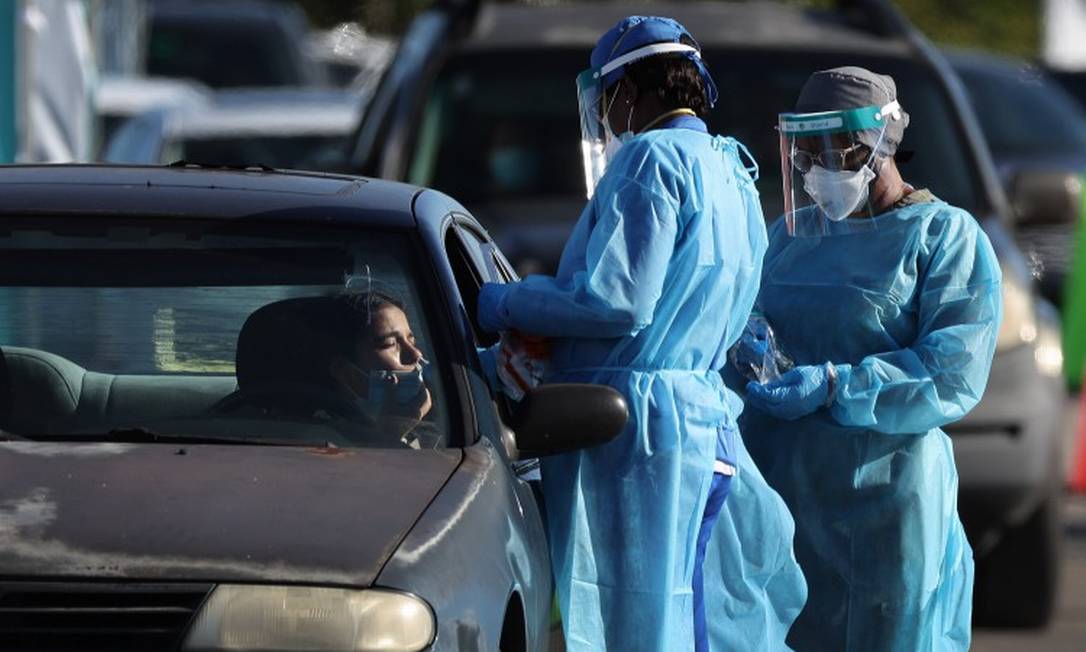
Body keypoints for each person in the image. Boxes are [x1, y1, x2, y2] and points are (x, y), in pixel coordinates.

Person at [476, 16, 767, 651]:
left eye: (608, 98)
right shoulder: (731, 169)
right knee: (681, 620)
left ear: (629, 91)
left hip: (638, 436)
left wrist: (506, 303)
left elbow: (617, 302)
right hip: (699, 427)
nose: (608, 116)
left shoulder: (649, 160)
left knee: (639, 627)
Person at [740, 66, 1002, 651]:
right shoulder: (788, 237)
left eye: (835, 150)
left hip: (888, 502)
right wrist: (747, 348)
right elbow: (748, 324)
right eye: (804, 154)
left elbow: (952, 371)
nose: (817, 168)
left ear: (881, 144)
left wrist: (839, 384)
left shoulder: (943, 237)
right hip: (786, 499)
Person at [230, 292, 435, 446]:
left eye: (411, 339)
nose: (416, 354)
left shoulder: (222, 425)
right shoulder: (315, 442)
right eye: (390, 344)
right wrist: (389, 435)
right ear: (345, 371)